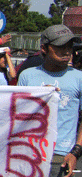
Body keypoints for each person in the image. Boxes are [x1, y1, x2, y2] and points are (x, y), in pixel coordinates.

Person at [18, 25, 82, 176]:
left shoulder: (79, 78)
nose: (67, 51)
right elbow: (17, 115)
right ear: (44, 48)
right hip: (29, 154)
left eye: (69, 46)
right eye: (60, 46)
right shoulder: (27, 76)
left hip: (62, 156)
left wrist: (76, 152)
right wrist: (39, 98)